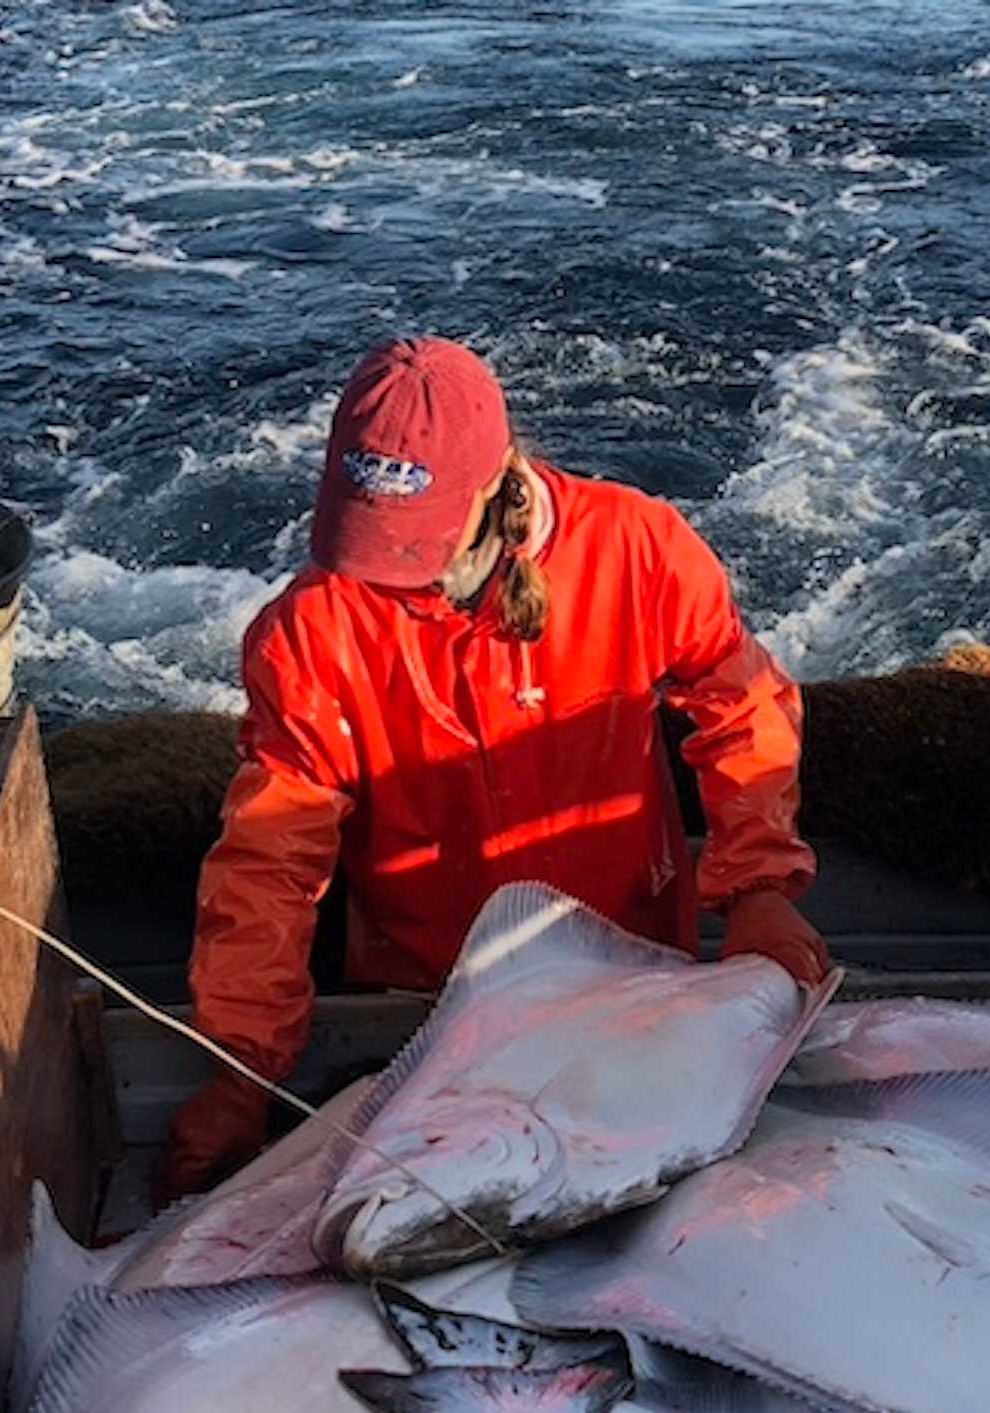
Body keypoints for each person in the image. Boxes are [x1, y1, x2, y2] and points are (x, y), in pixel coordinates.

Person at [157, 335, 829, 1203]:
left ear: (492, 487)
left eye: (418, 543)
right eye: (374, 541)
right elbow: (268, 857)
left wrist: (758, 886)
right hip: (431, 1009)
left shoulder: (639, 545)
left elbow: (741, 705)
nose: (396, 573)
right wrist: (239, 1065)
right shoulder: (308, 630)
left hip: (634, 970)